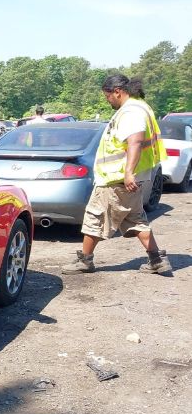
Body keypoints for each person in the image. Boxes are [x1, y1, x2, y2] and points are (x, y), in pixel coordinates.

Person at [62, 74, 171, 275]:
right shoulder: (140, 107)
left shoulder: (131, 112)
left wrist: (128, 173)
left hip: (117, 178)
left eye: (108, 96)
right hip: (128, 179)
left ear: (117, 92)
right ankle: (157, 259)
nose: (108, 101)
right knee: (136, 220)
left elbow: (135, 141)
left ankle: (85, 261)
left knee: (95, 218)